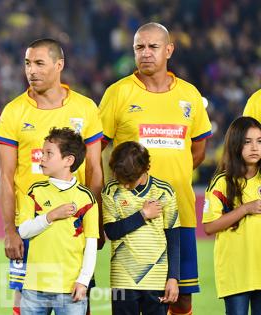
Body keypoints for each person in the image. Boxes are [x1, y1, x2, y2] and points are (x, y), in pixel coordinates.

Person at [99, 22, 212, 315]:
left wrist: (173, 177)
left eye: (153, 46)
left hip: (179, 212)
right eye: (139, 47)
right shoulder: (118, 93)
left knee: (181, 297)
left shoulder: (189, 95)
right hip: (131, 214)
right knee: (132, 300)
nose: (145, 53)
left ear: (169, 50)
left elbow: (198, 149)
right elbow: (96, 150)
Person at [0, 38, 103, 314]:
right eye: (28, 63)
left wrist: (96, 221)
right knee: (24, 303)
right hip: (29, 227)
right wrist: (9, 230)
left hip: (74, 227)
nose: (32, 70)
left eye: (39, 63)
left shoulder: (85, 108)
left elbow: (94, 170)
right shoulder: (13, 111)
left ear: (59, 65)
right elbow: (5, 177)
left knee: (78, 299)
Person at [17, 127, 98, 315]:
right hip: (34, 287)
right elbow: (23, 231)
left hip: (70, 288)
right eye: (42, 152)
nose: (41, 158)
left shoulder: (86, 198)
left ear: (68, 160)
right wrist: (50, 216)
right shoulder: (34, 191)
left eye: (48, 153)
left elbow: (91, 244)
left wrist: (83, 281)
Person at [102, 141, 180, 315]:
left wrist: (173, 278)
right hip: (122, 279)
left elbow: (174, 239)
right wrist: (143, 215)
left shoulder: (164, 191)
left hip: (157, 280)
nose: (126, 185)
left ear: (146, 168)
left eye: (130, 180)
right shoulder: (110, 190)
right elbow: (112, 232)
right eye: (121, 179)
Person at [203, 116, 261, 315]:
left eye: (259, 141)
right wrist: (245, 209)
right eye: (247, 141)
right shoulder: (222, 182)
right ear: (235, 144)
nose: (255, 147)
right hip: (236, 273)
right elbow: (209, 227)